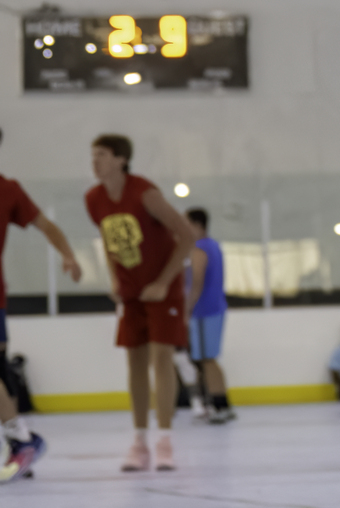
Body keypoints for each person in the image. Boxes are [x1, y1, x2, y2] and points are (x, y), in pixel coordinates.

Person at [84, 134, 196, 474]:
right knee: (134, 362)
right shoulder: (94, 198)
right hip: (132, 291)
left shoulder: (145, 193)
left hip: (162, 289)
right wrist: (115, 278)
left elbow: (187, 235)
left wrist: (164, 282)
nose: (95, 161)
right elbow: (108, 237)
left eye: (101, 155)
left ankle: (164, 440)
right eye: (93, 155)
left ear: (121, 159)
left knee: (161, 359)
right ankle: (139, 440)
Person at [1, 130, 83, 481]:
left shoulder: (8, 190)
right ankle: (19, 443)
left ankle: (21, 441)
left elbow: (46, 225)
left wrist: (68, 254)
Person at [185, 208, 234, 423]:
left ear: (197, 225)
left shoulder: (199, 249)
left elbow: (196, 283)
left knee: (207, 360)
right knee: (205, 360)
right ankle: (211, 401)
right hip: (215, 308)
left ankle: (219, 404)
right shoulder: (214, 246)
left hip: (204, 311)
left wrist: (186, 310)